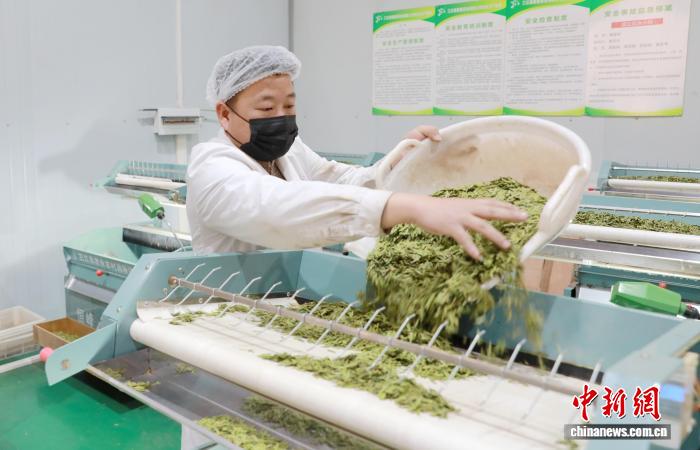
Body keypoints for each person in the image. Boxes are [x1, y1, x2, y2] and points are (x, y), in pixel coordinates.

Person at [187, 45, 527, 260]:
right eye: (266, 108)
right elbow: (276, 211)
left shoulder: (290, 153)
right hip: (227, 310)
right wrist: (404, 207)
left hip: (291, 302)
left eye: (289, 105)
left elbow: (342, 180)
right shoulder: (211, 169)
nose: (281, 117)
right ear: (224, 114)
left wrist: (405, 160)